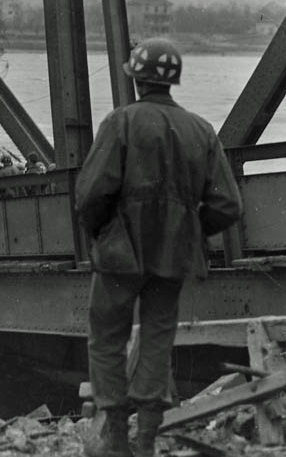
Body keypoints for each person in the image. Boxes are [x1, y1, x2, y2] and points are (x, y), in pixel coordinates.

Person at [76, 38, 241, 457]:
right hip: (173, 254)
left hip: (120, 253)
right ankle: (147, 438)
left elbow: (91, 194)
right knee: (157, 337)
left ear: (136, 79)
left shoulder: (120, 122)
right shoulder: (202, 130)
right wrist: (190, 229)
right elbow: (228, 204)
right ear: (173, 83)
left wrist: (102, 232)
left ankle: (115, 437)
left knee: (107, 336)